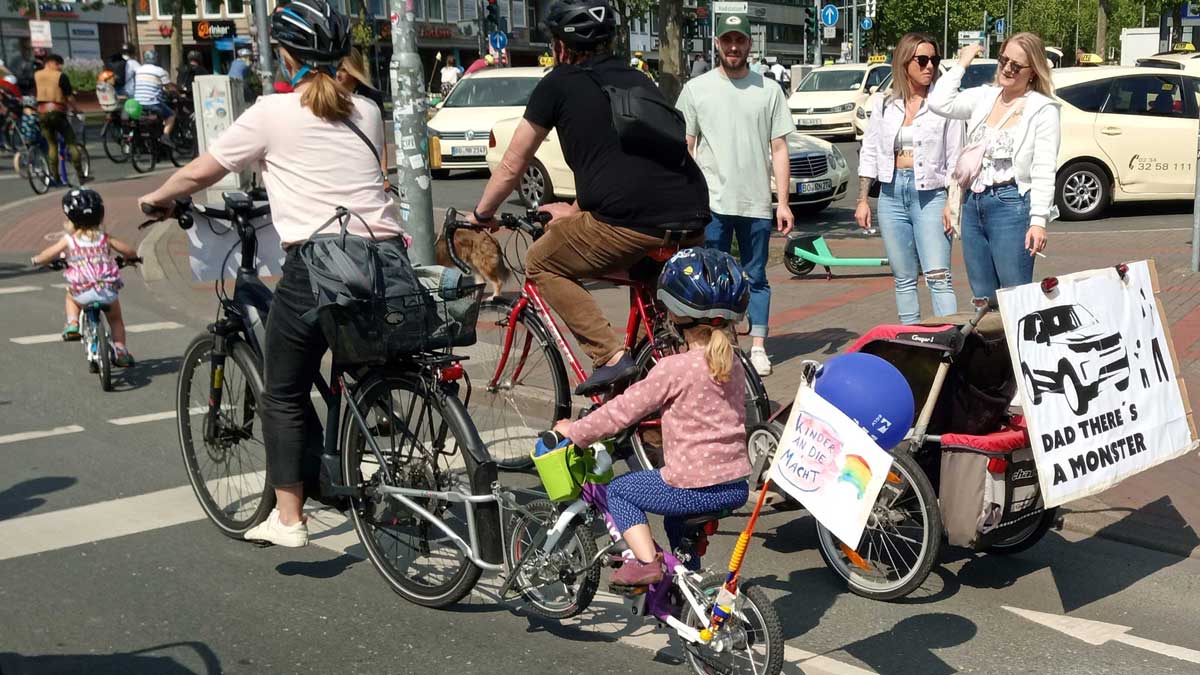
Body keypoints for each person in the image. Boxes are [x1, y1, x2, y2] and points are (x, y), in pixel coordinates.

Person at [139, 0, 406, 547]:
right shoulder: (368, 110)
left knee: (282, 393)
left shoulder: (270, 112)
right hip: (385, 260)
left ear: (286, 57)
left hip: (321, 265)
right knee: (358, 370)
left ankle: (289, 518)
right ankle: (375, 463)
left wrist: (158, 198)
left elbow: (203, 169)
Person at [468, 0, 711, 396]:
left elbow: (513, 164)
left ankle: (609, 356)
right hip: (690, 216)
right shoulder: (638, 80)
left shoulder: (558, 84)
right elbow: (624, 164)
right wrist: (574, 211)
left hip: (630, 224)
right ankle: (656, 393)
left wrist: (482, 214)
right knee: (659, 307)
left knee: (541, 261)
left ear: (561, 46)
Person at [554, 248, 751, 584]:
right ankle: (689, 586)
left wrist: (577, 431)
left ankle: (646, 563)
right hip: (734, 485)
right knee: (677, 523)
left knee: (620, 491)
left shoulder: (673, 368)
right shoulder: (732, 361)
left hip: (693, 485)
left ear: (674, 313)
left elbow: (622, 411)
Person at [676, 13, 794, 377]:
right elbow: (686, 146)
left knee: (755, 276)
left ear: (749, 44)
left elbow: (779, 149)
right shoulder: (697, 90)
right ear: (716, 43)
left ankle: (758, 346)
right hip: (711, 203)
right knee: (710, 280)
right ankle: (715, 345)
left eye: (739, 40)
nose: (733, 47)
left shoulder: (769, 90)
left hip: (756, 201)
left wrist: (783, 202)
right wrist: (687, 196)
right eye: (727, 40)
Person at [929, 33, 1059, 303]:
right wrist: (962, 63)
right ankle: (992, 346)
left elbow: (1044, 169)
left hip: (1011, 205)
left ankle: (1018, 346)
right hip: (974, 203)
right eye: (1004, 60)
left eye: (1016, 65)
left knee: (1015, 297)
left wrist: (1038, 222)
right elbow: (938, 102)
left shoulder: (1043, 110)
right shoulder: (985, 96)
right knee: (983, 298)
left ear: (1033, 71)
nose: (1007, 69)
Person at [857, 33, 962, 325]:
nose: (930, 66)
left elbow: (955, 157)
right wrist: (863, 200)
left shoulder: (944, 105)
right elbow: (870, 151)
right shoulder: (884, 104)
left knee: (938, 276)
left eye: (935, 60)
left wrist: (951, 203)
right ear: (904, 63)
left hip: (931, 196)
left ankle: (950, 343)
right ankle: (911, 342)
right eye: (923, 60)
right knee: (903, 278)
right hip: (891, 194)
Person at [30, 189, 138, 366]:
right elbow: (129, 251)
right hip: (106, 291)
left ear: (71, 220)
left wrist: (36, 260)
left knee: (70, 297)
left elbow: (49, 254)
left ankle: (72, 323)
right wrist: (132, 258)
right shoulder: (105, 238)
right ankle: (120, 351)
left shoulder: (70, 240)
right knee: (116, 319)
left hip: (82, 291)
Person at [34, 53, 84, 183]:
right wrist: (76, 109)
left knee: (52, 145)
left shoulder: (36, 75)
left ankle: (55, 176)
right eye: (58, 64)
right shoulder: (60, 76)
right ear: (50, 63)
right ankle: (81, 175)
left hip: (42, 112)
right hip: (57, 111)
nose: (60, 67)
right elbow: (69, 97)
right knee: (71, 142)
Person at [134, 50, 176, 143]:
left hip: (138, 102)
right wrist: (178, 93)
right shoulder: (160, 71)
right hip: (152, 103)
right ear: (156, 58)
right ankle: (165, 136)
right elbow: (168, 87)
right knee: (171, 115)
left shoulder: (138, 70)